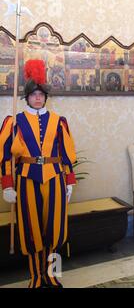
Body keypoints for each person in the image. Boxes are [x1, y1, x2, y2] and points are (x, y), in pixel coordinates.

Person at [0, 59, 77, 288]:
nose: (37, 97)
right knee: (31, 230)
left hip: (54, 179)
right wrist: (7, 185)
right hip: (26, 180)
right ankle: (35, 277)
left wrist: (69, 182)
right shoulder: (14, 121)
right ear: (27, 96)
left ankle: (53, 275)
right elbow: (5, 156)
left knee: (54, 230)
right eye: (33, 94)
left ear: (45, 96)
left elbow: (67, 154)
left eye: (41, 94)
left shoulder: (58, 121)